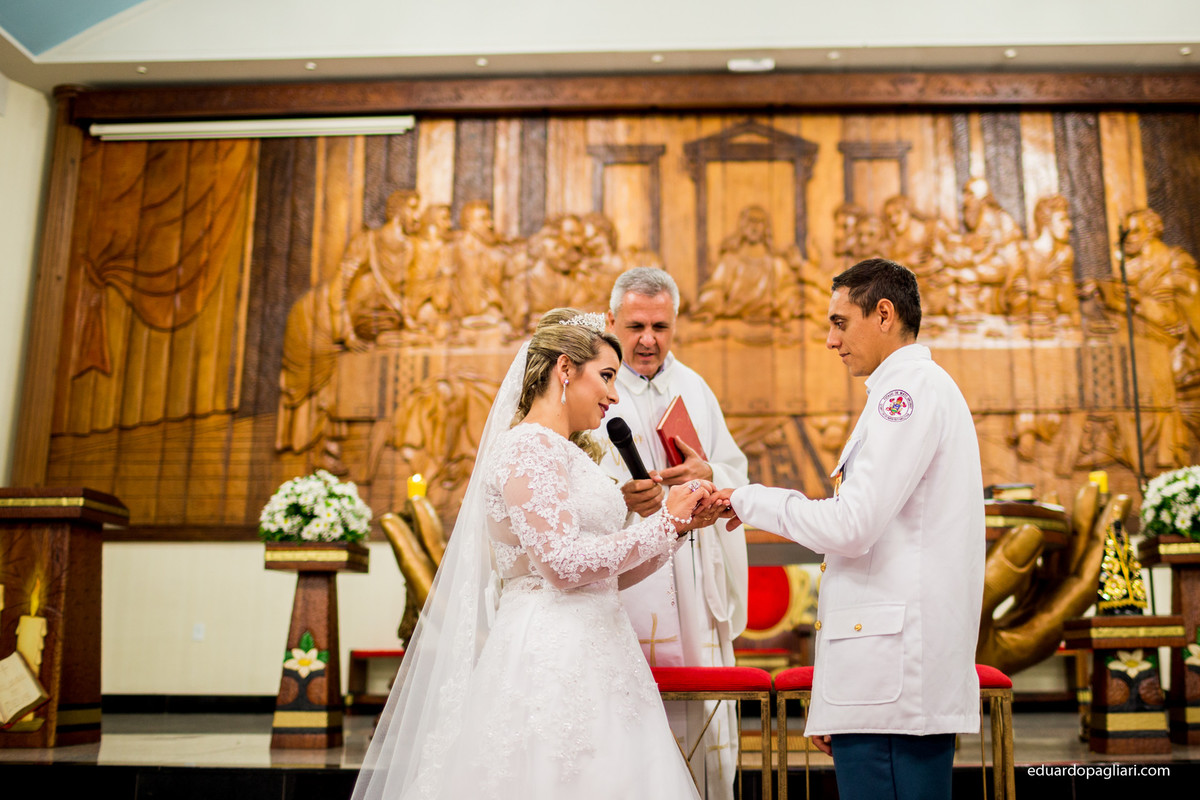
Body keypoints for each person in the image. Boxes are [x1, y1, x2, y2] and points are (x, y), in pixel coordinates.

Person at [352, 308, 723, 800]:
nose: (615, 394)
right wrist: (666, 520)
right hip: (552, 650)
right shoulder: (529, 448)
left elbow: (608, 575)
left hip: (600, 645)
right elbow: (563, 566)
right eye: (607, 376)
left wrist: (680, 528)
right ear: (565, 369)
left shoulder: (566, 452)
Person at [715, 258, 985, 800]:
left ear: (883, 314)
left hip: (892, 678)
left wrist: (746, 501)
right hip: (885, 671)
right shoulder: (907, 389)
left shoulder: (903, 396)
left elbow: (852, 526)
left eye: (840, 322)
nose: (830, 339)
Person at [596, 267, 750, 800]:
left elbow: (735, 472)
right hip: (623, 573)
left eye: (661, 326)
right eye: (636, 325)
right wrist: (620, 499)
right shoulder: (595, 383)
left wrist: (709, 474)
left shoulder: (695, 388)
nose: (648, 339)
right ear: (611, 318)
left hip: (690, 572)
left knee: (699, 714)